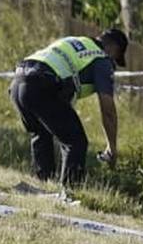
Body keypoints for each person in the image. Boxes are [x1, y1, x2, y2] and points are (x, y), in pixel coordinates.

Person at [9, 27, 129, 189]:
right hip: (41, 83)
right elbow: (108, 110)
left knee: (41, 134)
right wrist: (112, 147)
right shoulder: (101, 59)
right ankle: (70, 193)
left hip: (18, 82)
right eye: (116, 58)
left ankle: (43, 187)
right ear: (113, 48)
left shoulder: (76, 41)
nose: (113, 64)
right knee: (76, 142)